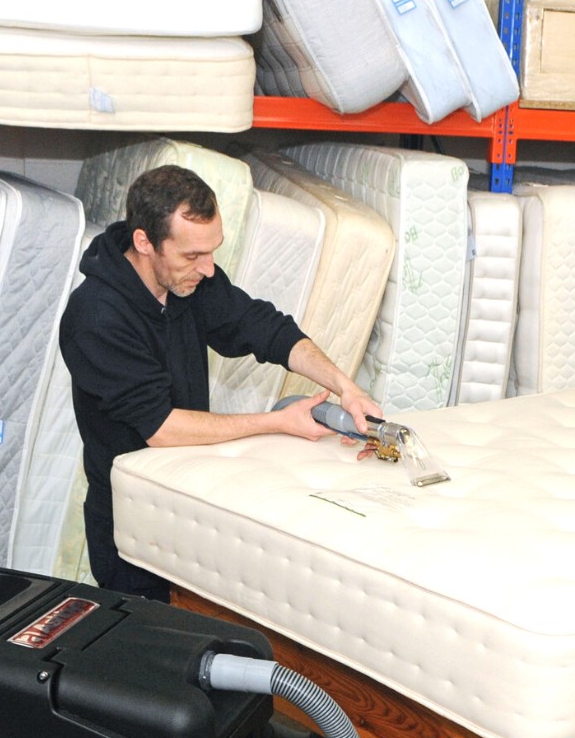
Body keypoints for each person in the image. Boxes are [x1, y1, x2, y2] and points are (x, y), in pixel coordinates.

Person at [59, 163, 381, 597]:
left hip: (192, 497)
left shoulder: (189, 283)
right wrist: (276, 421)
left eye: (213, 251)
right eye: (193, 255)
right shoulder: (96, 317)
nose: (209, 269)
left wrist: (347, 387)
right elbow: (161, 428)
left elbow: (265, 328)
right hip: (133, 519)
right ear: (144, 242)